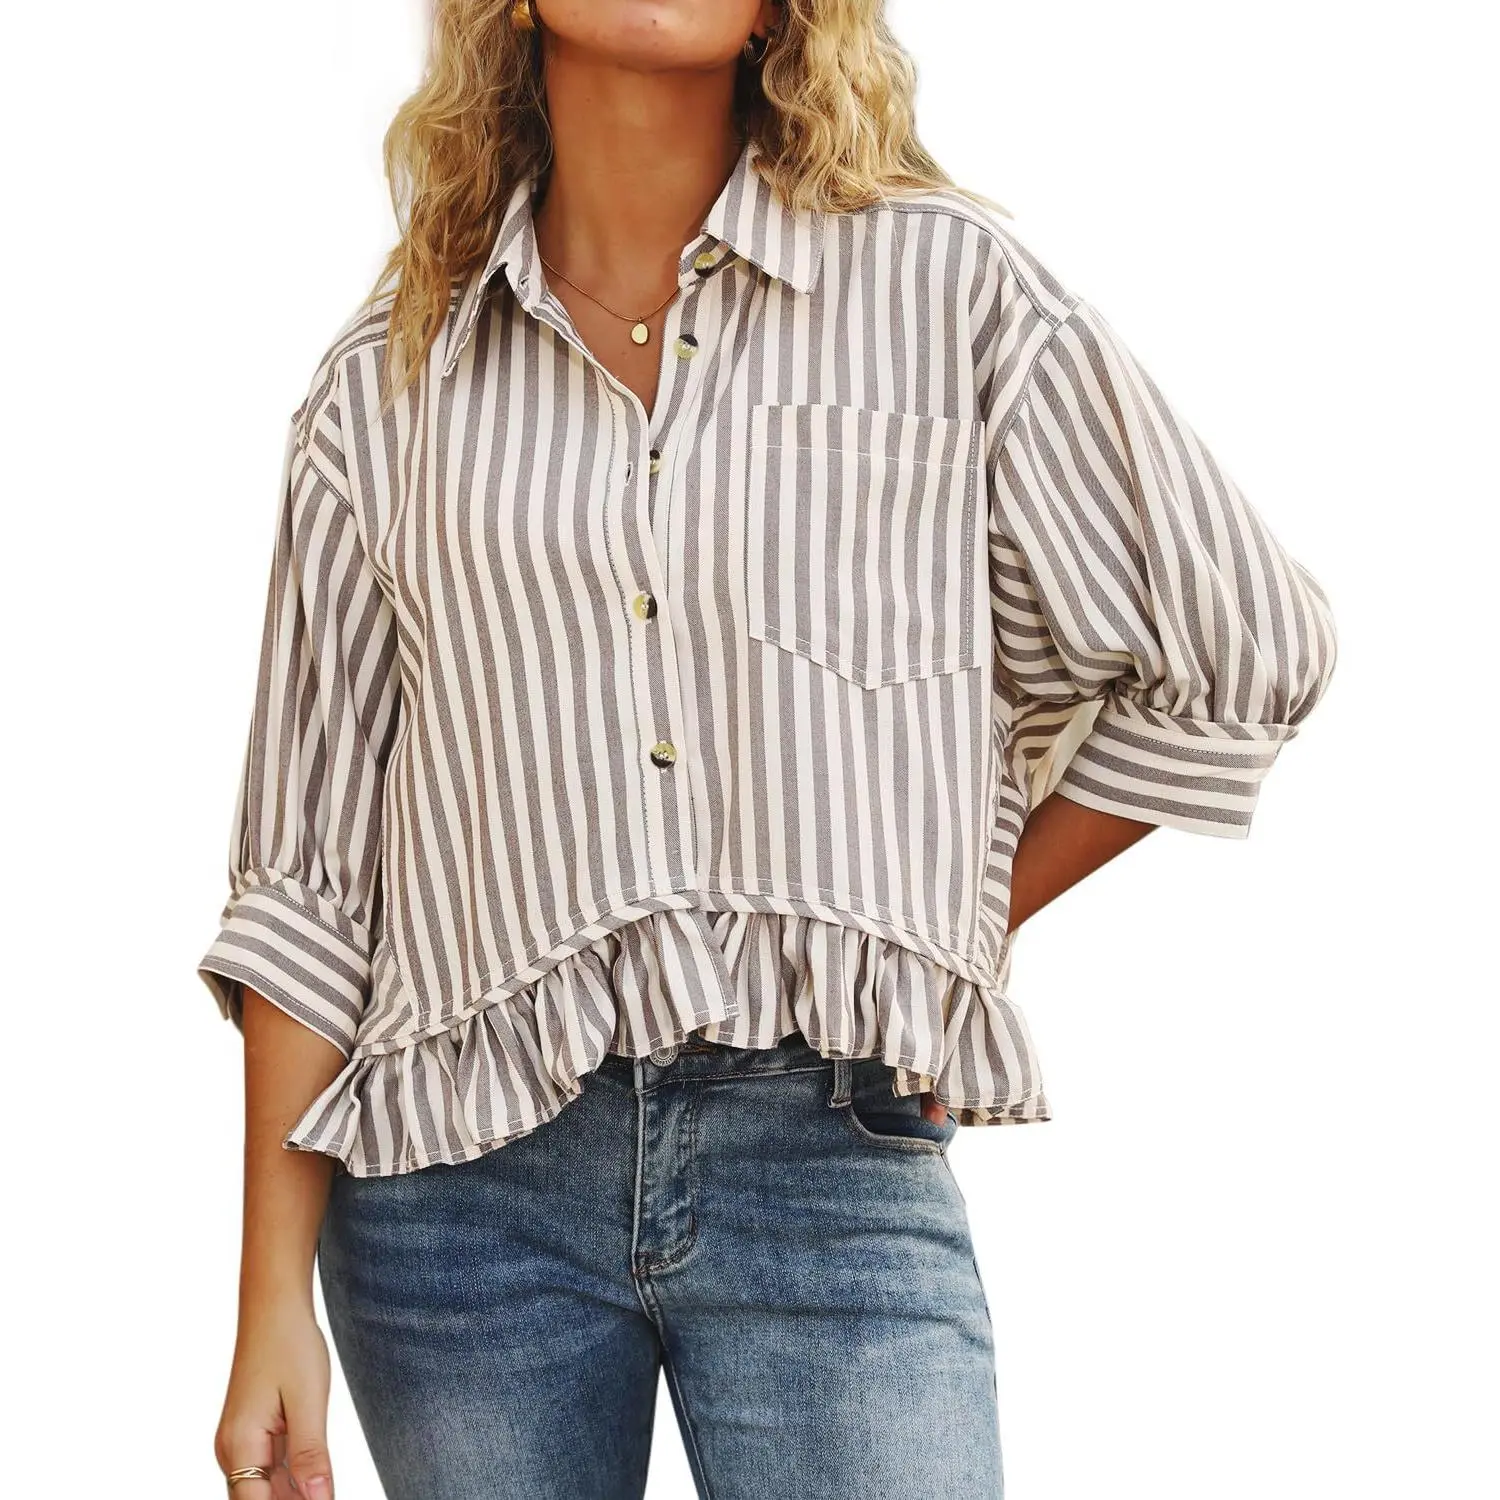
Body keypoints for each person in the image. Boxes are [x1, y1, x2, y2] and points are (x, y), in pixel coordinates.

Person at [199, 2, 1340, 1496]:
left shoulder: (945, 293)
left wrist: (947, 928)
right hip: (459, 1204)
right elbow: (308, 881)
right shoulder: (388, 384)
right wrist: (268, 1304)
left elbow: (1244, 647)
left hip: (830, 1156)